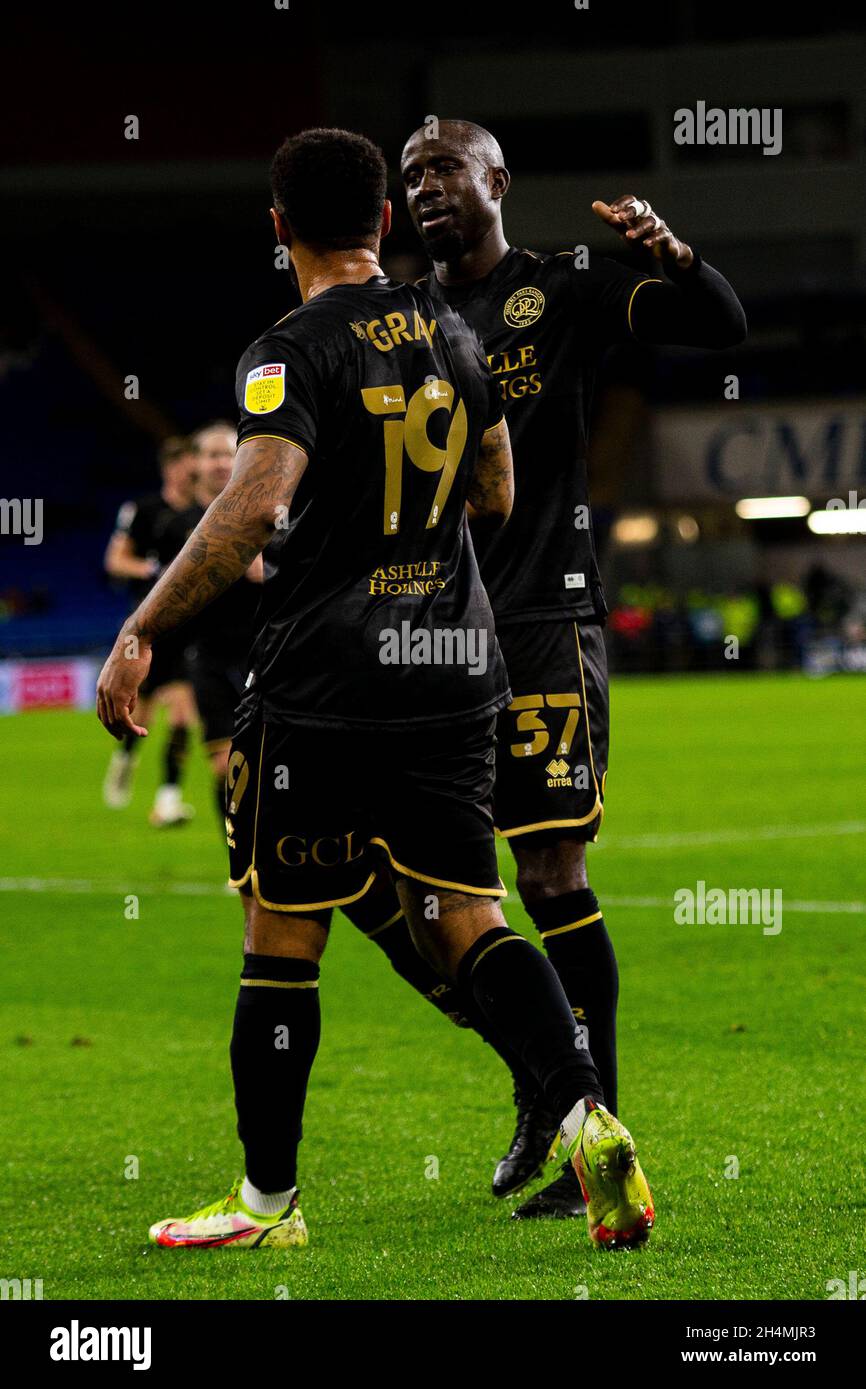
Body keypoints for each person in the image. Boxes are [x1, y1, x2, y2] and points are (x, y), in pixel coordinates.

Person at [96, 127, 654, 1253]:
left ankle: (266, 1205)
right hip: (454, 672)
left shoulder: (288, 347)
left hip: (325, 685)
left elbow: (253, 505)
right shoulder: (452, 327)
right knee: (471, 913)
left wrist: (142, 626)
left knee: (281, 934)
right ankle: (588, 1112)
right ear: (384, 222)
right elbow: (494, 489)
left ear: (277, 228)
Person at [339, 118, 747, 1218]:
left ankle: (590, 1134)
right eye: (410, 173)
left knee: (550, 876)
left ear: (497, 182)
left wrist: (670, 256)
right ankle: (543, 1087)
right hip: (429, 637)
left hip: (540, 621)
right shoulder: (402, 319)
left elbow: (717, 326)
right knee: (430, 897)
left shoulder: (559, 288)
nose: (426, 187)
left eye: (445, 169)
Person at [162, 421, 264, 828]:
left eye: (228, 453)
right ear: (195, 464)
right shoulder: (177, 525)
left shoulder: (266, 511)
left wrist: (271, 565)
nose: (221, 462)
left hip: (266, 652)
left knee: (276, 766)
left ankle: (274, 859)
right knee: (226, 769)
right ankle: (239, 863)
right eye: (211, 455)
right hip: (209, 658)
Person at [102, 435, 198, 826]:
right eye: (182, 464)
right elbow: (115, 560)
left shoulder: (203, 513)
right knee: (139, 716)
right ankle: (125, 758)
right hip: (146, 629)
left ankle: (168, 800)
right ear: (168, 469)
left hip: (187, 630)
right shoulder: (144, 510)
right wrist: (149, 570)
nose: (189, 472)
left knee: (181, 716)